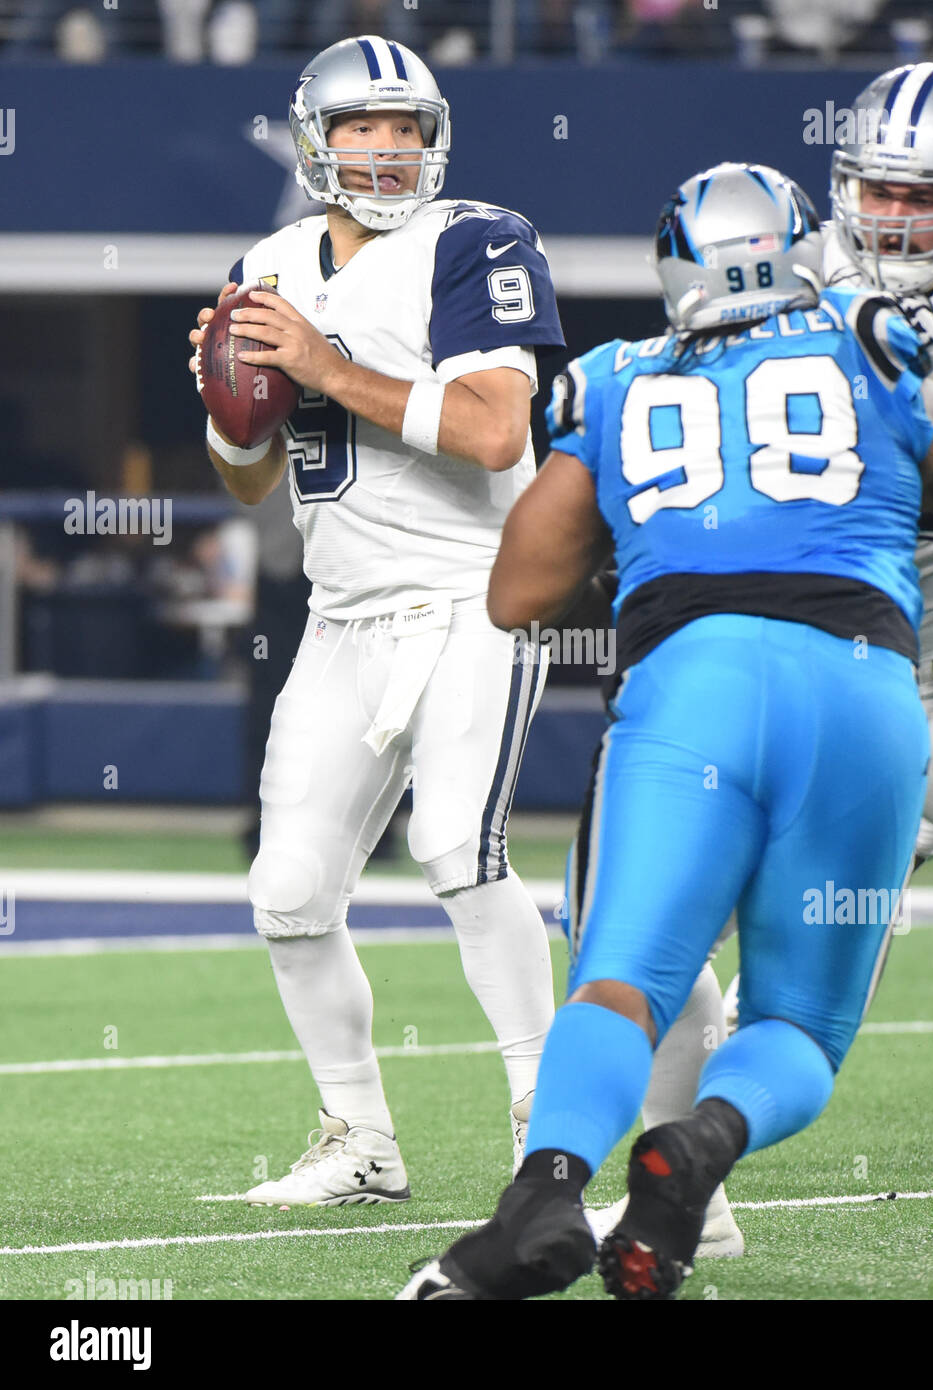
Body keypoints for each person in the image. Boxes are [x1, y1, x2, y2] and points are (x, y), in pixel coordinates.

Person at [398, 161, 933, 1300]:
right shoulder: (864, 336)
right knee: (797, 1020)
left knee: (620, 981)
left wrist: (635, 542)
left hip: (687, 683)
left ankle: (539, 1193)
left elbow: (517, 593)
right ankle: (696, 1151)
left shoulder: (614, 378)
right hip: (860, 687)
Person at [188, 34, 565, 1206]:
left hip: (472, 597)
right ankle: (358, 1136)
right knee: (287, 889)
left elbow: (498, 430)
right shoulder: (271, 259)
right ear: (316, 140)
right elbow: (253, 480)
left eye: (405, 126)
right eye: (362, 126)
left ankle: (544, 1132)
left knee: (458, 847)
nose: (388, 147)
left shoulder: (477, 239)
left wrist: (321, 360)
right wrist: (230, 406)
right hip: (342, 617)